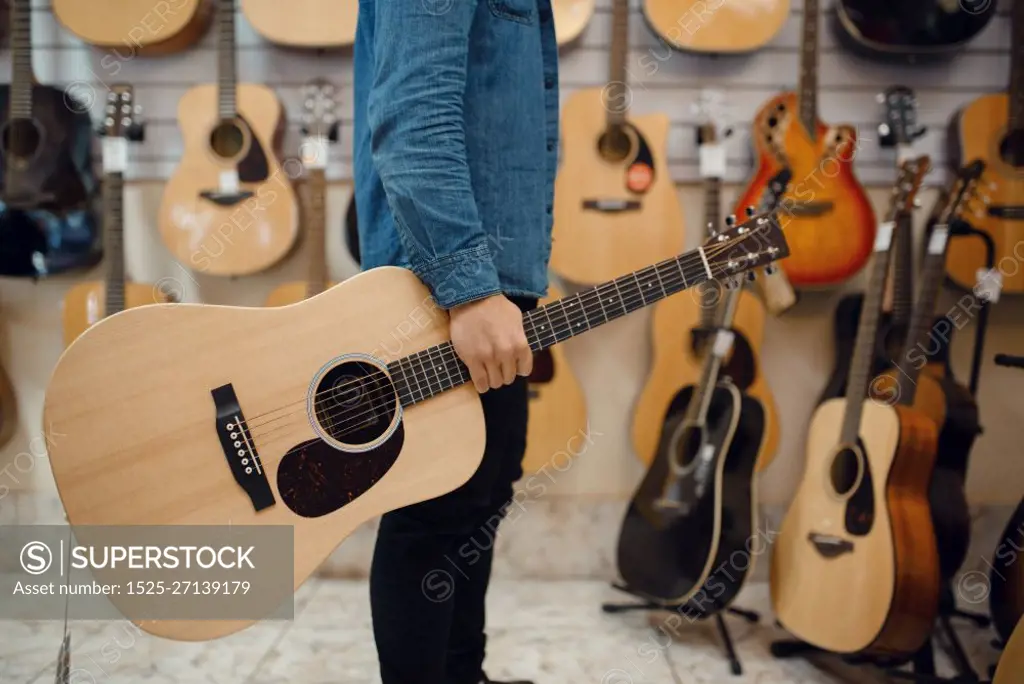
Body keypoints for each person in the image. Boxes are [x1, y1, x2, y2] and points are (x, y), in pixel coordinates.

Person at [352, 2, 559, 683]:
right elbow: (411, 114)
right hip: (450, 281)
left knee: (482, 496)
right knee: (436, 512)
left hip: (487, 277)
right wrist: (468, 289)